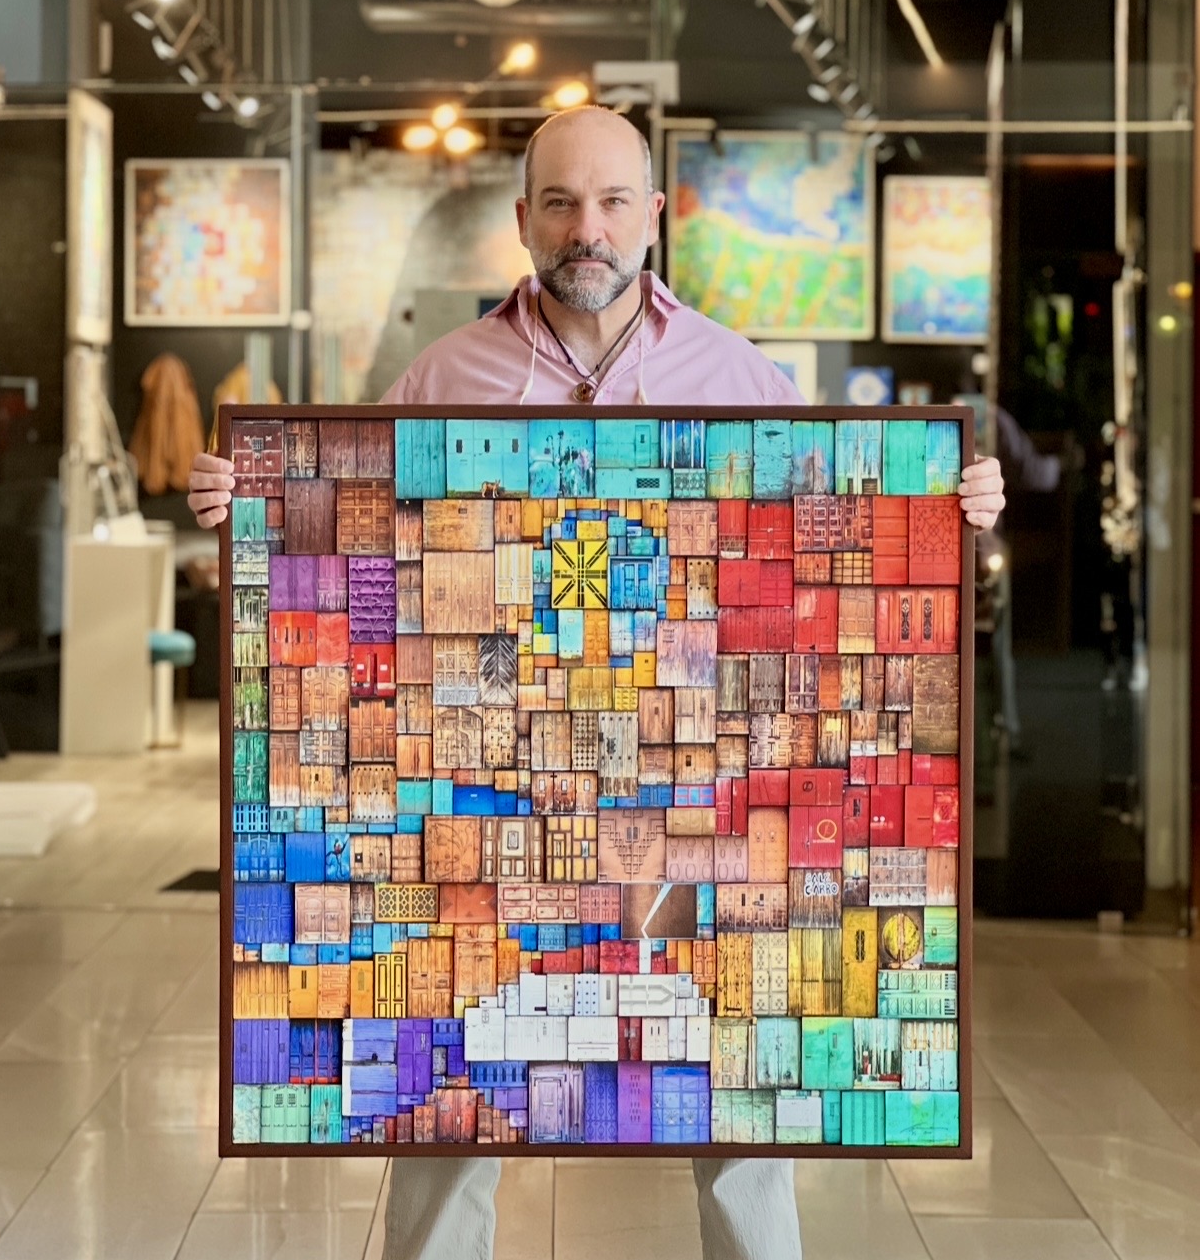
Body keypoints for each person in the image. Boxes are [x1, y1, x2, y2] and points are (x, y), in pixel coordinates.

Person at [189, 106, 1006, 1260]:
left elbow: (831, 525)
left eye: (614, 200)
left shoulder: (737, 370)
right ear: (524, 219)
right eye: (563, 202)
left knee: (736, 1056)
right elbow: (356, 525)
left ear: (654, 216)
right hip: (495, 764)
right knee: (449, 1052)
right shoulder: (445, 372)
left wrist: (950, 502)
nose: (590, 227)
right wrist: (248, 501)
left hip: (690, 770)